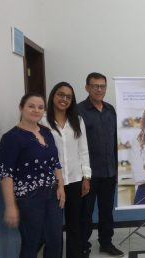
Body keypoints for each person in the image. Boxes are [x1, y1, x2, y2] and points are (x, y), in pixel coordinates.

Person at [0, 92, 65, 258]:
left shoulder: (47, 132)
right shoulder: (11, 138)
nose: (36, 110)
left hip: (52, 194)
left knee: (55, 239)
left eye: (40, 107)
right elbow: (6, 174)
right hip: (28, 198)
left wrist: (61, 186)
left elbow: (55, 162)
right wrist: (10, 206)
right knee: (32, 242)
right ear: (21, 108)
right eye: (31, 106)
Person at [42, 82, 91, 258]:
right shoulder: (42, 120)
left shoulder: (77, 120)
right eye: (60, 95)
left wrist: (87, 177)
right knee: (53, 228)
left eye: (68, 97)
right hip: (53, 182)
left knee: (74, 225)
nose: (64, 99)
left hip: (76, 179)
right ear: (53, 96)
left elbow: (83, 150)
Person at [78, 73, 124, 257]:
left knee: (106, 211)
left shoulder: (110, 110)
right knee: (85, 213)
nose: (99, 89)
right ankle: (82, 246)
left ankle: (106, 243)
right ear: (87, 87)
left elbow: (115, 141)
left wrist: (119, 168)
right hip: (88, 174)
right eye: (95, 86)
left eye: (102, 86)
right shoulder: (78, 111)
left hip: (109, 172)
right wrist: (83, 175)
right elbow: (77, 145)